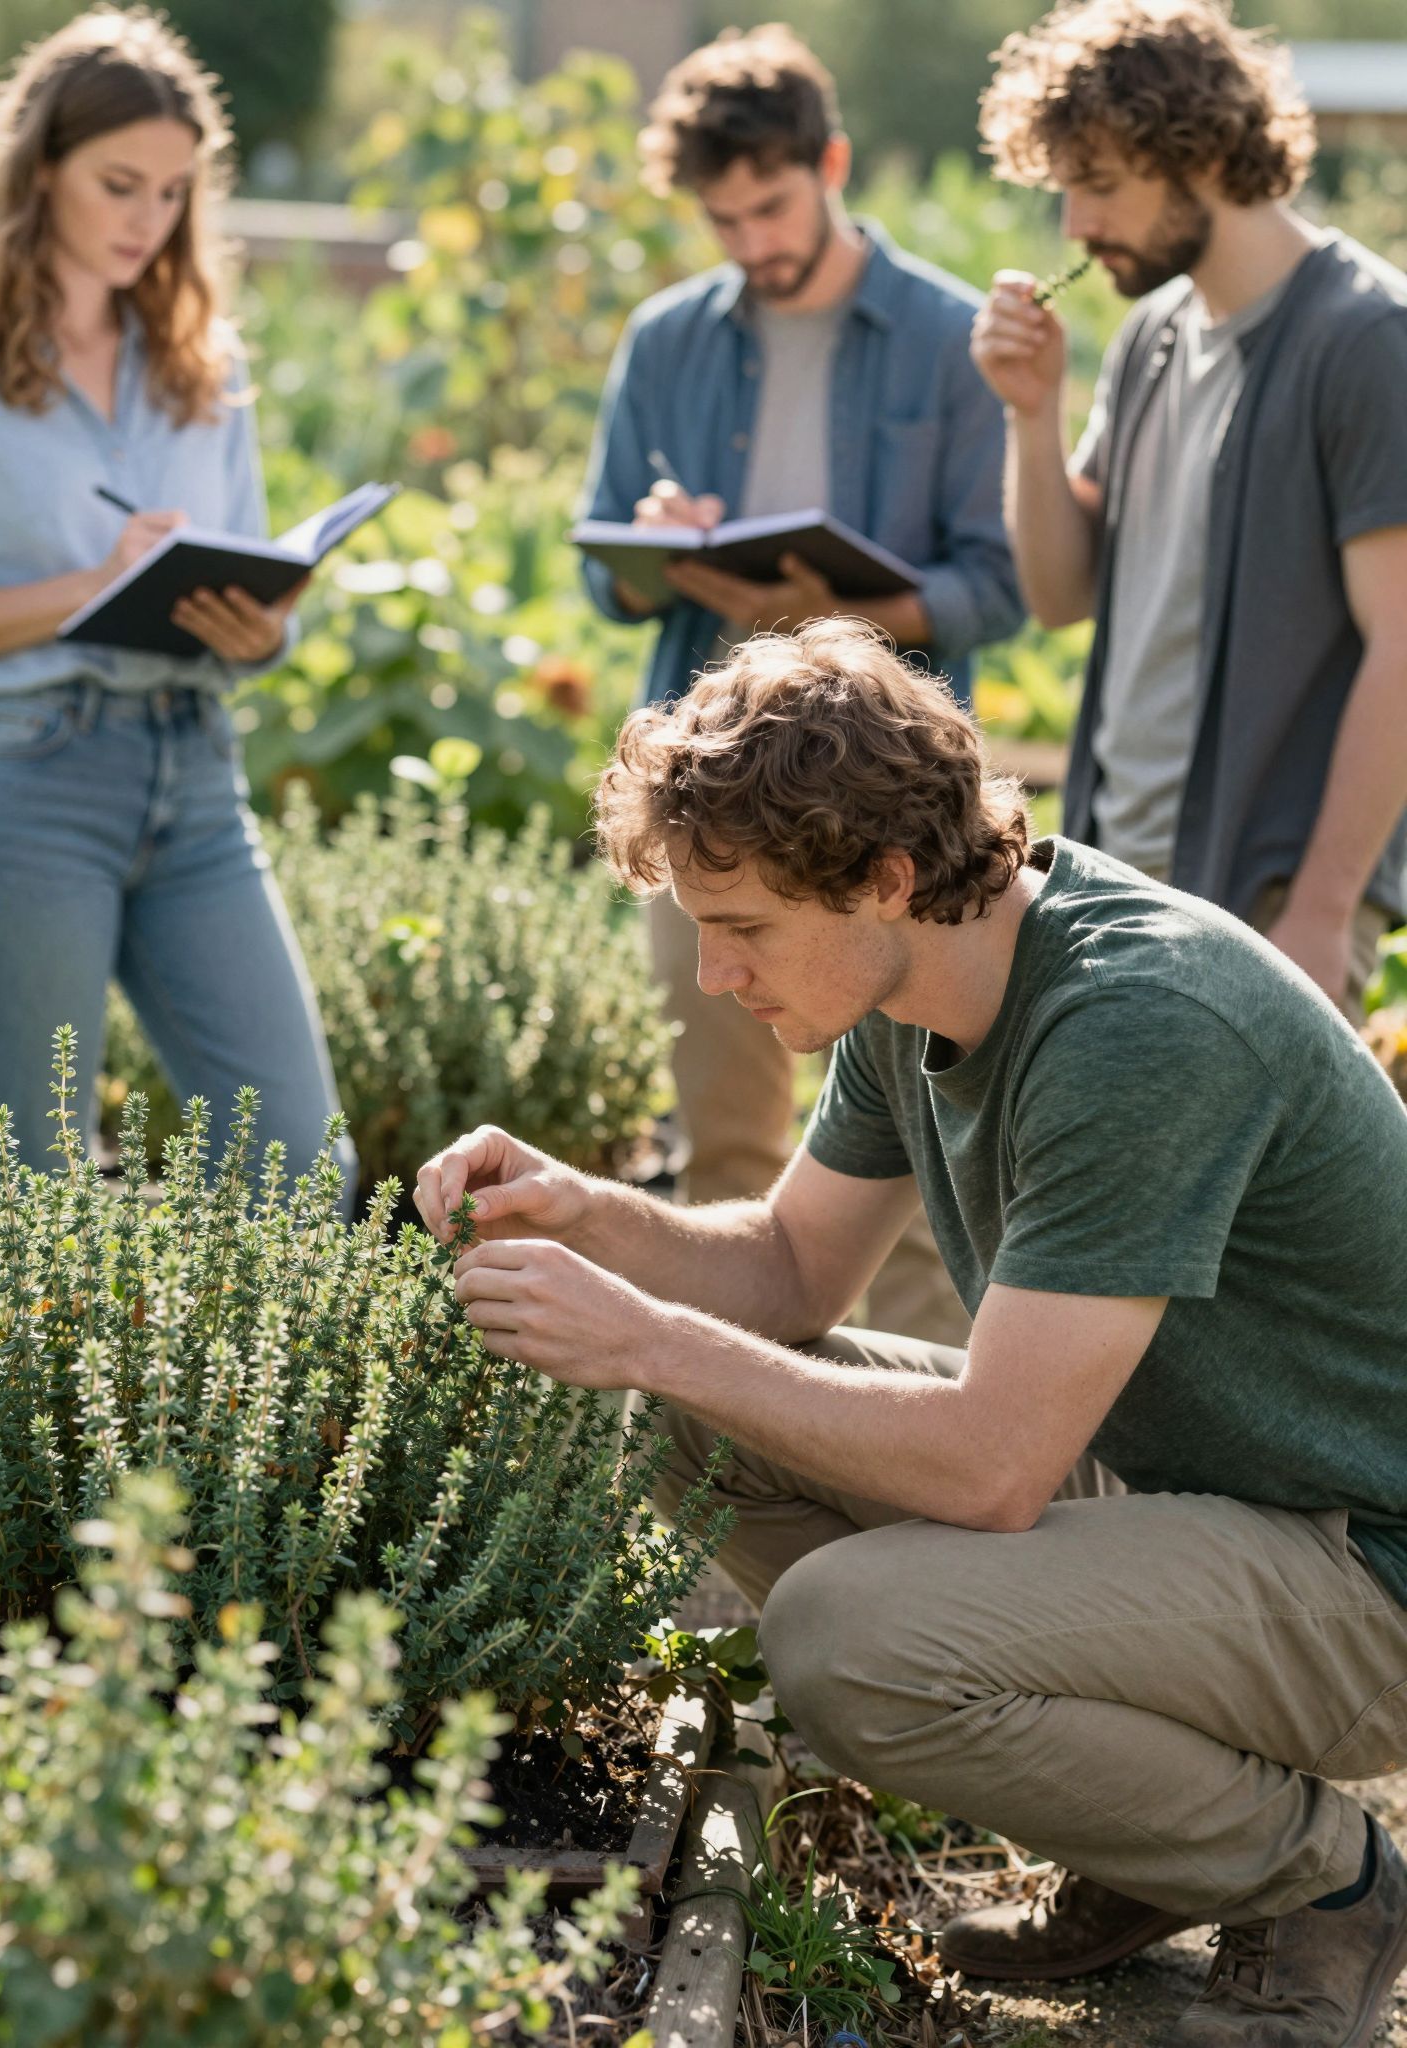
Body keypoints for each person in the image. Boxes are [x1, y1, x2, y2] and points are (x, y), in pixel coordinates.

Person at [416, 619, 1407, 2047]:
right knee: (703, 1427)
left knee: (850, 1638)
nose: (711, 977)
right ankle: (1152, 1834)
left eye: (740, 928)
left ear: (882, 876)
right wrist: (589, 1215)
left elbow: (991, 1469)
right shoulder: (915, 973)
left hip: (1368, 1561)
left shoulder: (1138, 1025)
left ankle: (1325, 1885)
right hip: (1206, 1496)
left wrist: (640, 1335)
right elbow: (788, 1271)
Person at [579, 25, 1021, 1341]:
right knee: (725, 1143)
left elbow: (997, 588)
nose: (751, 240)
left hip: (880, 807)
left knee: (921, 1175)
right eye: (722, 218)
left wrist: (832, 609)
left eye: (770, 205)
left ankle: (920, 1443)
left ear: (829, 165)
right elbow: (607, 573)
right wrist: (668, 546)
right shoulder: (668, 340)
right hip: (710, 794)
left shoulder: (946, 337)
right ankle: (745, 1441)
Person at [0, 6, 356, 1204]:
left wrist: (260, 628)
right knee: (34, 1185)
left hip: (196, 782)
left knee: (299, 1159)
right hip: (27, 783)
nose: (149, 220)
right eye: (119, 184)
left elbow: (240, 569)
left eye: (174, 193)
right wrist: (92, 590)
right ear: (40, 173)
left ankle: (258, 1400)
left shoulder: (206, 362)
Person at [969, 0, 1407, 1025]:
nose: (1075, 226)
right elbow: (1063, 592)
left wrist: (1323, 908)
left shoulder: (1364, 342)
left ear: (1202, 154)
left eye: (1103, 187)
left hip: (1266, 895)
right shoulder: (1153, 336)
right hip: (1119, 874)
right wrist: (1031, 418)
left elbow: (1404, 642)